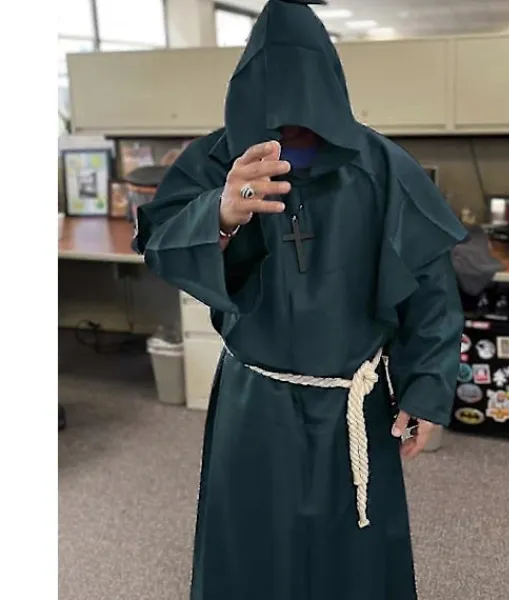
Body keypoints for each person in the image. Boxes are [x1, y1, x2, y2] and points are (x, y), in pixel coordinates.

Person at [133, 1, 467, 598]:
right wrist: (220, 215)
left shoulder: (383, 168)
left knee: (354, 554)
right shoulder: (217, 162)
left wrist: (426, 385)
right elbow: (161, 242)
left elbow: (430, 289)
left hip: (352, 399)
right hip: (255, 402)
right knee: (253, 546)